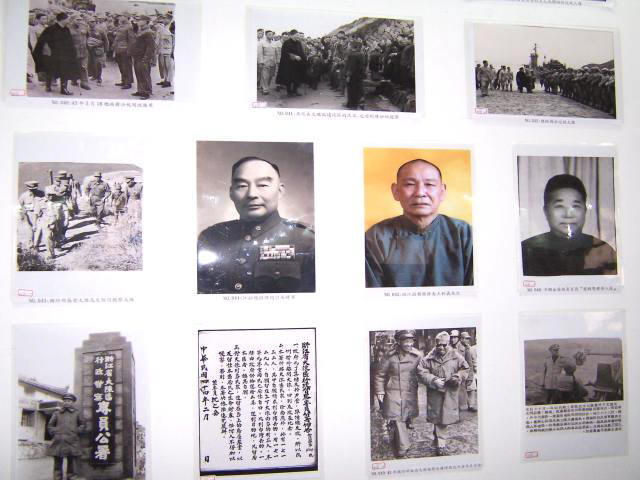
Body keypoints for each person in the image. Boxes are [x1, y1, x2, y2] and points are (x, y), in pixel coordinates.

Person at [197, 156, 315, 294]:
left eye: (262, 185)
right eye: (242, 186)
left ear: (280, 191)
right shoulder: (210, 238)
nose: (252, 194)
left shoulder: (307, 240)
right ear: (231, 193)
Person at [365, 159, 473, 288]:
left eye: (429, 184)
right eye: (409, 184)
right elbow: (371, 296)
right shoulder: (376, 238)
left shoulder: (464, 234)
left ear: (442, 191)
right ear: (396, 191)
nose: (420, 193)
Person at [521, 174, 617, 276]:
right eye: (559, 206)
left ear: (585, 210)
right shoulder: (526, 251)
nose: (568, 214)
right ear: (546, 211)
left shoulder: (603, 250)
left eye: (575, 206)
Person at [417, 331, 469, 456]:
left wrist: (458, 376)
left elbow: (465, 368)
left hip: (449, 392)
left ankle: (440, 441)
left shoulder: (456, 356)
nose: (441, 347)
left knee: (443, 419)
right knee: (437, 417)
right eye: (438, 345)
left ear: (448, 343)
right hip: (435, 393)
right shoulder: (429, 357)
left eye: (444, 345)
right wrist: (433, 380)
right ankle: (440, 441)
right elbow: (421, 371)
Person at [373, 330, 423, 458]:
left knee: (404, 415)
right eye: (406, 341)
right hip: (393, 390)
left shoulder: (417, 355)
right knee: (397, 417)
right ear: (399, 342)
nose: (409, 344)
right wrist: (380, 391)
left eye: (411, 341)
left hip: (410, 390)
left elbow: (423, 372)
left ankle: (398, 435)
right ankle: (402, 446)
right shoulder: (389, 356)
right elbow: (380, 374)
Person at [33, 12, 80, 95]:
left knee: (65, 71)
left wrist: (73, 53)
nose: (68, 20)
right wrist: (44, 52)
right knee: (50, 71)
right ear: (62, 19)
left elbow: (70, 43)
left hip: (65, 55)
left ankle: (64, 89)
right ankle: (48, 86)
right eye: (67, 19)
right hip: (53, 55)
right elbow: (41, 41)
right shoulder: (50, 29)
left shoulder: (66, 29)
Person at [47, 392, 85, 480]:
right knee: (57, 463)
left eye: (69, 401)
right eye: (65, 401)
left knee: (72, 463)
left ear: (73, 402)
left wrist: (76, 431)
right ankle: (57, 478)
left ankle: (71, 478)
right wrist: (55, 432)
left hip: (72, 441)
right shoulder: (57, 413)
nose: (67, 402)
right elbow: (50, 425)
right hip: (59, 441)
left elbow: (82, 424)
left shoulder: (77, 413)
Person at [129, 15, 155, 100]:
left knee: (145, 75)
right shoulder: (141, 30)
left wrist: (147, 58)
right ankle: (140, 90)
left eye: (140, 20)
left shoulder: (148, 32)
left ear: (145, 21)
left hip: (143, 57)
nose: (138, 21)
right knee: (138, 74)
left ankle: (147, 92)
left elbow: (151, 47)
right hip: (137, 56)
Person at [277, 29, 307, 96]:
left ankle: (295, 90)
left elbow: (301, 52)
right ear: (291, 35)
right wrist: (294, 56)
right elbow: (285, 53)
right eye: (296, 35)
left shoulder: (298, 43)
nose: (298, 36)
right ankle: (289, 91)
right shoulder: (286, 43)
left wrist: (304, 59)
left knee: (297, 78)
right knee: (289, 78)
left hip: (298, 64)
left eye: (298, 35)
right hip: (289, 64)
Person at [18, 181, 45, 248]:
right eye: (31, 189)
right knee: (29, 232)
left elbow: (45, 202)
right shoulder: (24, 196)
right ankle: (30, 246)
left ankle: (36, 246)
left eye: (34, 189)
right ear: (28, 188)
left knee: (39, 231)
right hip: (29, 215)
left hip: (39, 215)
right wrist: (23, 215)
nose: (33, 191)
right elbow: (20, 206)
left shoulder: (41, 193)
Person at [114, 15, 136, 89]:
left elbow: (131, 40)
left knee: (126, 67)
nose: (120, 18)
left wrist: (129, 50)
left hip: (125, 49)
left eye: (123, 16)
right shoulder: (121, 26)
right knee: (121, 66)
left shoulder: (129, 27)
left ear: (127, 18)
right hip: (119, 49)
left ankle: (128, 82)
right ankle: (123, 80)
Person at [344, 37, 366, 109]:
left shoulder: (352, 55)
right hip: (359, 75)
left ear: (352, 47)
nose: (348, 47)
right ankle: (356, 103)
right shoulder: (361, 54)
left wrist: (348, 76)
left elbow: (351, 67)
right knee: (357, 90)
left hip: (353, 76)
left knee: (351, 90)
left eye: (349, 45)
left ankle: (352, 105)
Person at [460, 332, 477, 412]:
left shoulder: (469, 348)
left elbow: (472, 361)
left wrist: (471, 372)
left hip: (469, 370)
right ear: (461, 339)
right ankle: (460, 405)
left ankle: (471, 405)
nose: (467, 340)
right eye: (466, 338)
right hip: (461, 370)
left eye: (468, 339)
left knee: (472, 388)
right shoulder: (458, 348)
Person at [258, 30, 279, 95]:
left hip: (273, 62)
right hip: (265, 62)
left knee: (271, 75)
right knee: (265, 76)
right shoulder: (262, 43)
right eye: (269, 34)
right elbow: (260, 53)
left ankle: (266, 87)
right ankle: (265, 89)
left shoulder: (274, 43)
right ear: (266, 35)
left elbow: (277, 53)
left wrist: (277, 61)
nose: (271, 36)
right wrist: (261, 62)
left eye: (272, 34)